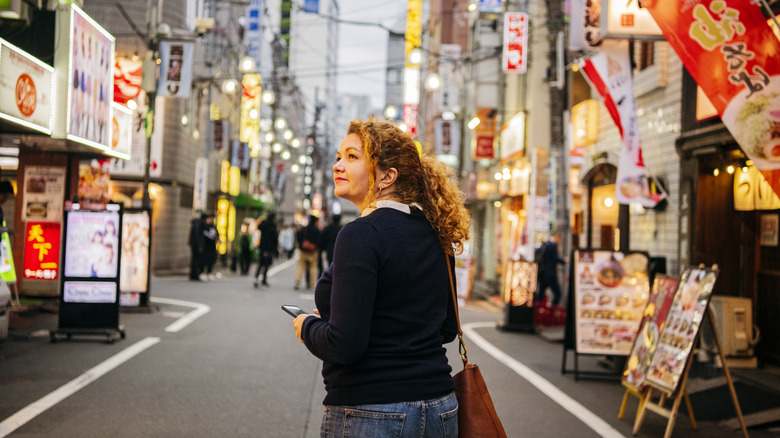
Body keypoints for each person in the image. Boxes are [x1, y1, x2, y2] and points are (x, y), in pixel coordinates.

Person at [290, 118, 470, 438]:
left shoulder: (360, 235)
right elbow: (444, 328)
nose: (337, 165)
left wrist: (307, 326)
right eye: (338, 156)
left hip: (371, 410)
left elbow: (344, 346)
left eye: (352, 157)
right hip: (440, 408)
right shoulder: (435, 232)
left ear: (387, 176)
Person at [536, 231, 567, 306]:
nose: (559, 241)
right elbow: (555, 258)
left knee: (540, 294)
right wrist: (564, 260)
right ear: (557, 236)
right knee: (558, 293)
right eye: (559, 239)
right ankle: (552, 312)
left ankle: (536, 311)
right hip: (550, 274)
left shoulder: (546, 244)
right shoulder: (553, 245)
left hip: (542, 273)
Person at [294, 214, 320, 290]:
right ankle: (311, 284)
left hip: (303, 251)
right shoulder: (317, 230)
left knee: (301, 266)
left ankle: (297, 282)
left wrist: (301, 245)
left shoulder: (304, 229)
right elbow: (319, 241)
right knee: (312, 268)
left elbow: (298, 237)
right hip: (313, 252)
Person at [253, 212, 278, 287]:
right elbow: (275, 239)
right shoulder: (273, 226)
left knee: (260, 263)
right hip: (269, 248)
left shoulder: (263, 224)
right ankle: (264, 279)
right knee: (266, 264)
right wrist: (275, 249)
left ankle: (256, 278)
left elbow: (258, 227)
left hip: (262, 247)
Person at [200, 211, 219, 281]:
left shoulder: (214, 227)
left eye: (213, 218)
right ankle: (202, 272)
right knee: (204, 259)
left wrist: (218, 239)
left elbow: (217, 235)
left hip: (212, 246)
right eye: (211, 218)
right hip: (206, 246)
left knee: (211, 260)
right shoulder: (204, 226)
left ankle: (209, 272)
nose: (212, 220)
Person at [187, 215, 204, 281]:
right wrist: (200, 245)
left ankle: (192, 274)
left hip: (193, 245)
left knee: (194, 259)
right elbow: (198, 237)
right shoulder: (198, 226)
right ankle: (194, 274)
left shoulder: (194, 225)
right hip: (196, 246)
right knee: (196, 260)